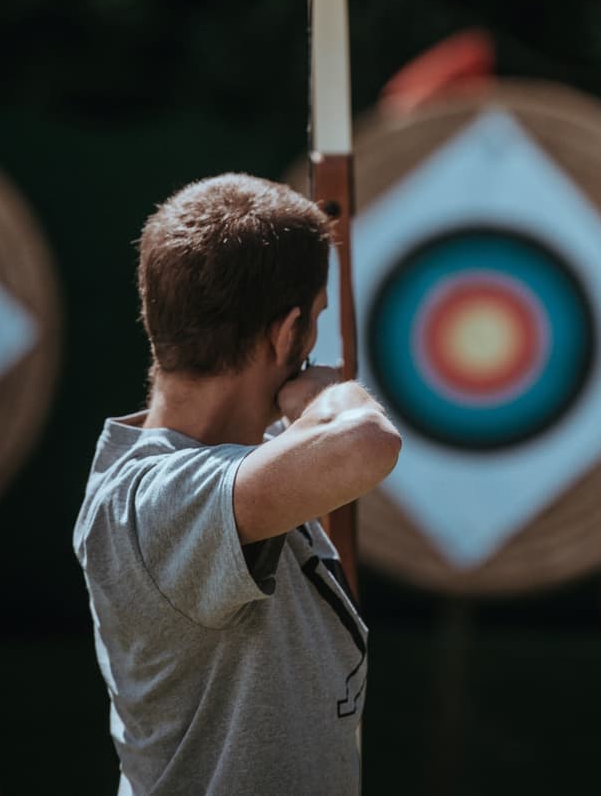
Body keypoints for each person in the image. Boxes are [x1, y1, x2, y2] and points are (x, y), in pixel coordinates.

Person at [73, 173, 401, 796]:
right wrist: (328, 396)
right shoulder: (149, 500)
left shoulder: (250, 462)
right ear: (288, 332)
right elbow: (366, 443)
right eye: (315, 323)